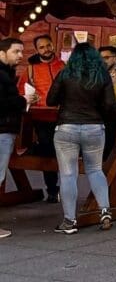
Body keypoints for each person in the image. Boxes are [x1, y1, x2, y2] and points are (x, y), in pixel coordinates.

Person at [47, 42, 116, 234]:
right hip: (94, 127)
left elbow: (50, 100)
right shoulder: (102, 75)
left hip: (66, 127)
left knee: (68, 174)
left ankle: (69, 221)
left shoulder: (65, 74)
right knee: (95, 170)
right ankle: (105, 211)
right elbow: (111, 104)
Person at [24, 35, 64, 203]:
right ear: (37, 50)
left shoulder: (63, 66)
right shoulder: (31, 69)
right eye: (42, 47)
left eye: (48, 45)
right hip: (41, 116)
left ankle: (65, 187)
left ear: (53, 45)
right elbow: (22, 90)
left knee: (63, 152)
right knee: (48, 151)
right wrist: (27, 98)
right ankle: (52, 189)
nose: (46, 49)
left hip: (62, 116)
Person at [1, 38, 33, 238]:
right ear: (2, 53)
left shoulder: (7, 74)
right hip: (2, 128)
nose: (21, 55)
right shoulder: (1, 75)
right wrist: (23, 100)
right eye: (16, 51)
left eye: (21, 51)